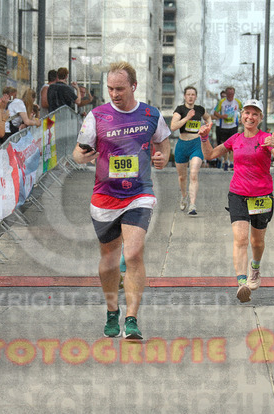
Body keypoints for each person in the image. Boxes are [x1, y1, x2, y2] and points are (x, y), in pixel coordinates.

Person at [73, 61, 171, 340]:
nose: (114, 94)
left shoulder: (151, 114)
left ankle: (132, 319)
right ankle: (112, 311)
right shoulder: (97, 116)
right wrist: (83, 156)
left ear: (133, 86)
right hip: (105, 196)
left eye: (120, 89)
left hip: (139, 194)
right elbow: (77, 153)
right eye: (110, 89)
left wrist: (163, 157)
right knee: (109, 259)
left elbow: (164, 142)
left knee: (134, 253)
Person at [199, 99, 274, 303]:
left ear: (260, 118)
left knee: (257, 241)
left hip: (261, 196)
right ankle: (242, 283)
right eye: (247, 113)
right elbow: (210, 154)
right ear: (241, 116)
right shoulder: (235, 139)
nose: (250, 117)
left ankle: (255, 268)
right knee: (240, 239)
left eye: (255, 114)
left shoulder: (266, 139)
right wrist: (204, 138)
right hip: (238, 194)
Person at [170, 85, 212, 215]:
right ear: (184, 96)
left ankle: (192, 205)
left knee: (193, 173)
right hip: (182, 145)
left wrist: (208, 126)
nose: (190, 97)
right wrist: (187, 117)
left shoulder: (200, 109)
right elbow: (173, 127)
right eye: (188, 94)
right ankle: (184, 196)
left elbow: (208, 117)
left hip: (196, 144)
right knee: (182, 177)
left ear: (196, 97)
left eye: (193, 94)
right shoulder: (180, 110)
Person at [212, 87, 242, 171]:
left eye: (232, 94)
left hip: (233, 126)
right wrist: (221, 116)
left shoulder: (237, 101)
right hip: (224, 126)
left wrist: (241, 118)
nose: (230, 95)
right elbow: (215, 112)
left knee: (233, 145)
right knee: (225, 145)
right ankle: (225, 161)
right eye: (229, 94)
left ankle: (231, 162)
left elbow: (243, 110)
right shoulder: (222, 102)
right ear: (226, 94)